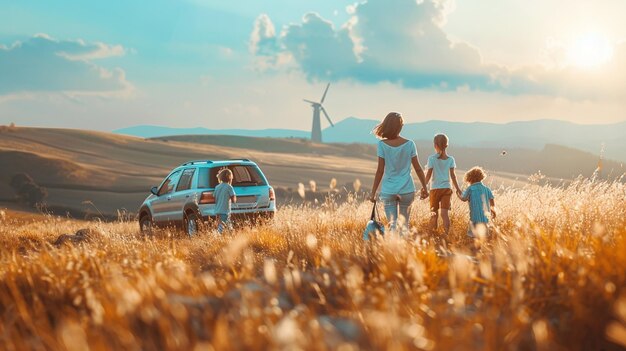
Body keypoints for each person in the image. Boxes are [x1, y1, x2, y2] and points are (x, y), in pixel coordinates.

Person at [368, 112, 429, 234]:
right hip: (407, 189)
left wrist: (373, 192)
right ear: (400, 126)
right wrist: (425, 188)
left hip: (389, 190)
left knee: (393, 224)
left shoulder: (382, 144)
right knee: (404, 225)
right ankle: (404, 250)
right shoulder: (410, 144)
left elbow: (380, 170)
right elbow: (418, 168)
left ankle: (393, 250)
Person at [425, 133, 462, 235]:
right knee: (444, 214)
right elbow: (453, 176)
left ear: (435, 145)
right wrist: (458, 189)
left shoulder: (431, 159)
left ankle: (433, 235)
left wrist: (424, 187)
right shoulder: (451, 159)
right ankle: (446, 235)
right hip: (446, 189)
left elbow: (428, 175)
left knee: (434, 214)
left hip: (435, 189)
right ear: (446, 145)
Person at [458, 166, 496, 238]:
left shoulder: (470, 188)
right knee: (483, 238)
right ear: (481, 177)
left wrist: (458, 195)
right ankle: (481, 248)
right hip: (485, 219)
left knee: (474, 237)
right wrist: (493, 212)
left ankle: (475, 249)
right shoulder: (487, 189)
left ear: (469, 178)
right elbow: (492, 201)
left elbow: (463, 198)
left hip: (474, 218)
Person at [214, 168, 237, 234]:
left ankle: (231, 238)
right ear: (230, 178)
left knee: (228, 227)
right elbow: (233, 199)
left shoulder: (217, 187)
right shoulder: (229, 187)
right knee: (221, 227)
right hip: (225, 211)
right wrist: (234, 200)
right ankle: (216, 237)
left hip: (218, 210)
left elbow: (214, 198)